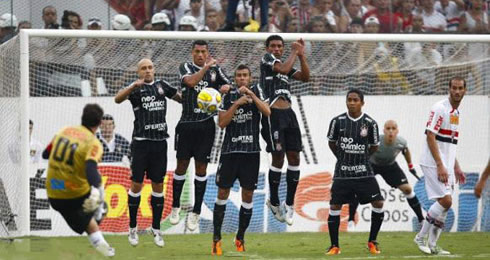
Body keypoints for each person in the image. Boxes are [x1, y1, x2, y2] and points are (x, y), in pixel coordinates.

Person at [114, 58, 181, 247]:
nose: (148, 71)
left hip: (160, 143)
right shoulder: (135, 89)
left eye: (150, 67)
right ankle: (132, 228)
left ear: (154, 70)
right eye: (143, 68)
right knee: (136, 185)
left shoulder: (162, 86)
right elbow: (117, 99)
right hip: (141, 144)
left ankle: (156, 228)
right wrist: (132, 86)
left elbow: (181, 98)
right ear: (138, 72)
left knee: (158, 186)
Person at [170, 40, 232, 231]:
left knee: (201, 169)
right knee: (181, 166)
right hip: (186, 124)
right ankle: (175, 206)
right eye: (197, 51)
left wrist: (225, 89)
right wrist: (205, 68)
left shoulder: (216, 70)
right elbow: (190, 82)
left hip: (206, 126)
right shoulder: (186, 67)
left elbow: (228, 84)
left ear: (207, 52)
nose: (200, 54)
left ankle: (196, 211)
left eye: (203, 51)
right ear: (192, 53)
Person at [211, 64, 271, 256]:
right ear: (235, 78)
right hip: (230, 152)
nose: (242, 78)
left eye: (245, 75)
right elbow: (221, 123)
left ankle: (240, 238)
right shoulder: (227, 95)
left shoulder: (257, 91)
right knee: (222, 194)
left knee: (248, 196)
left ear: (250, 78)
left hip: (251, 153)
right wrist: (237, 103)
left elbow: (267, 111)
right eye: (239, 76)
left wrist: (251, 97)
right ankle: (216, 239)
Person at [43, 104, 115, 257]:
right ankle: (98, 213)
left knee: (88, 221)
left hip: (52, 190)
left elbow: (45, 154)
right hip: (73, 192)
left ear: (82, 117)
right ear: (100, 123)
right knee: (101, 209)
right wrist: (97, 191)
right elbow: (90, 168)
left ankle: (105, 247)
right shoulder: (93, 143)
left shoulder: (64, 131)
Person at [414, 76, 467, 255]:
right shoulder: (440, 108)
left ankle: (433, 245)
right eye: (454, 88)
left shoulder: (456, 113)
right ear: (449, 89)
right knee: (446, 201)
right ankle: (420, 237)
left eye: (460, 88)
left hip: (447, 164)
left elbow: (449, 144)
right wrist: (440, 165)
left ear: (465, 91)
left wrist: (456, 166)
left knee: (445, 205)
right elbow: (430, 135)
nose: (457, 91)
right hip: (432, 162)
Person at [326, 89, 383, 255]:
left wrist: (362, 158)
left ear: (362, 103)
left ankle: (372, 242)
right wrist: (342, 157)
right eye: (349, 100)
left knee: (378, 203)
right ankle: (334, 246)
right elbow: (332, 143)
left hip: (363, 172)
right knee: (335, 205)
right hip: (342, 172)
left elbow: (374, 146)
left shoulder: (370, 124)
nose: (351, 102)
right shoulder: (337, 121)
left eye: (355, 100)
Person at [260, 34, 309, 225]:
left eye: (280, 46)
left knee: (295, 157)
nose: (277, 49)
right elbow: (284, 68)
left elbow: (305, 77)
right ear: (267, 48)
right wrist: (295, 51)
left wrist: (302, 56)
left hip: (289, 114)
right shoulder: (268, 60)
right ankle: (274, 201)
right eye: (273, 46)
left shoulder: (284, 63)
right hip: (273, 115)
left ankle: (289, 204)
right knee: (278, 157)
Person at [347, 120, 424, 230]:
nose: (391, 131)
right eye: (388, 128)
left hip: (390, 166)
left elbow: (405, 151)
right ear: (384, 130)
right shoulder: (375, 140)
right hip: (371, 165)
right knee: (357, 191)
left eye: (393, 128)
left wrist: (410, 166)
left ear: (397, 131)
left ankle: (421, 220)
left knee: (407, 189)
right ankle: (350, 220)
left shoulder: (401, 142)